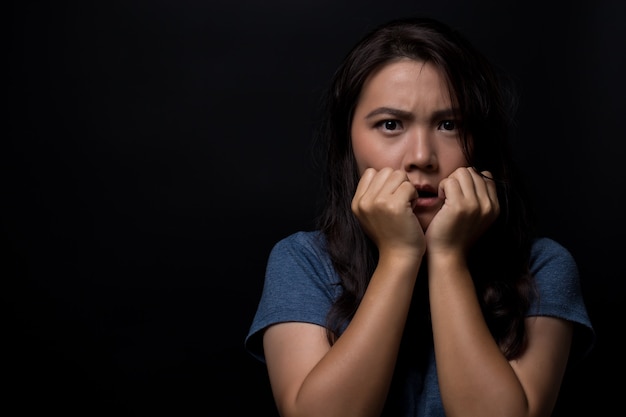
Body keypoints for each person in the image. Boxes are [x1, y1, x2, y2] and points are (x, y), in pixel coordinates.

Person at [245, 16, 594, 417]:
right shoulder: (302, 261)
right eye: (390, 124)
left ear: (481, 140)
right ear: (349, 141)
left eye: (449, 125)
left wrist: (447, 256)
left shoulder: (542, 266)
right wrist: (398, 257)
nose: (421, 158)